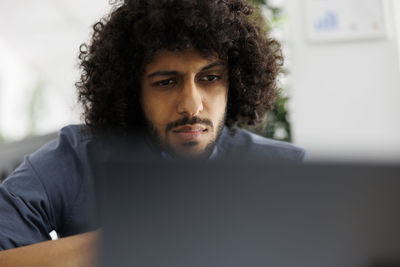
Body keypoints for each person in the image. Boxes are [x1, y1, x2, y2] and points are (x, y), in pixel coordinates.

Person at [0, 0, 305, 266]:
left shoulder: (287, 171)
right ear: (133, 91)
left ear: (235, 83)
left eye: (210, 78)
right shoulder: (76, 158)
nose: (191, 106)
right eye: (166, 82)